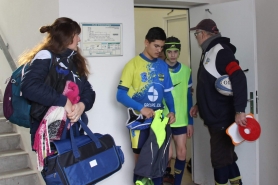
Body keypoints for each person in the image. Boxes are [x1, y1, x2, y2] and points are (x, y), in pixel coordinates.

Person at [20, 17, 96, 151]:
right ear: (66, 37)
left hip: (74, 131)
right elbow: (29, 86)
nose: (79, 39)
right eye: (76, 35)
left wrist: (81, 105)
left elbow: (88, 91)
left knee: (76, 169)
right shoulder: (46, 56)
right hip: (50, 134)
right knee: (57, 171)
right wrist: (63, 101)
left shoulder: (75, 60)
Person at [189, 19, 247, 185]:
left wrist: (239, 110)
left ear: (205, 34)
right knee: (227, 158)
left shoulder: (221, 51)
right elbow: (209, 84)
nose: (196, 37)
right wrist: (199, 104)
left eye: (197, 34)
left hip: (222, 118)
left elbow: (239, 77)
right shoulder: (208, 51)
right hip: (215, 117)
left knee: (219, 161)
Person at [116, 27, 176, 185]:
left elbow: (168, 93)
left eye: (162, 47)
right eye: (156, 46)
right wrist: (141, 108)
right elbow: (120, 95)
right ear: (146, 42)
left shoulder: (163, 66)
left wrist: (172, 111)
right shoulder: (133, 65)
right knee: (142, 165)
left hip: (159, 122)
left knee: (159, 161)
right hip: (140, 122)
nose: (159, 50)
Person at [161, 36, 193, 185]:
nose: (173, 54)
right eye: (170, 51)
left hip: (181, 119)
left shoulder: (187, 71)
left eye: (175, 51)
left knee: (182, 152)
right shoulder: (159, 69)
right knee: (167, 154)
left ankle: (178, 182)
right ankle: (162, 176)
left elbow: (189, 97)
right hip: (163, 119)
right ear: (165, 52)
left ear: (179, 52)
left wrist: (190, 122)